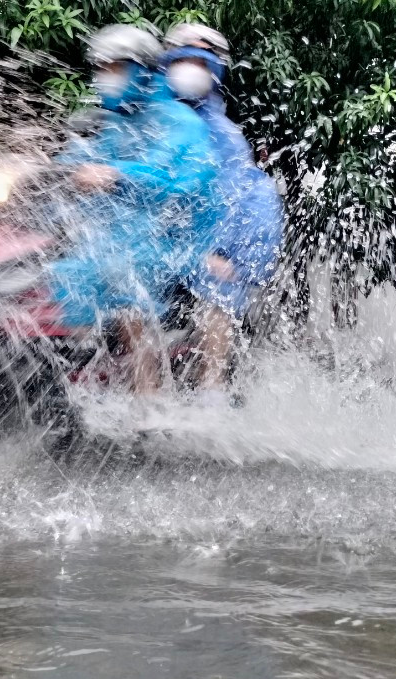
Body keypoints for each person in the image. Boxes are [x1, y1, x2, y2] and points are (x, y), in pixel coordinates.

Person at [49, 25, 216, 394]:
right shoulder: (112, 123)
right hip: (112, 235)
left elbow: (183, 183)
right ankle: (73, 375)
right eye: (100, 70)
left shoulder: (180, 122)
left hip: (168, 239)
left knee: (126, 281)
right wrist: (34, 171)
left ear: (140, 69)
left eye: (114, 68)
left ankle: (148, 400)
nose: (105, 78)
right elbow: (77, 161)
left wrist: (117, 175)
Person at [161, 23, 285, 399]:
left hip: (190, 250)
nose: (191, 66)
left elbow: (239, 203)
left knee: (219, 288)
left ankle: (210, 392)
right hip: (143, 238)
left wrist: (209, 252)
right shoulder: (146, 112)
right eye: (183, 56)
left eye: (202, 58)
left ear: (217, 68)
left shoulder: (224, 136)